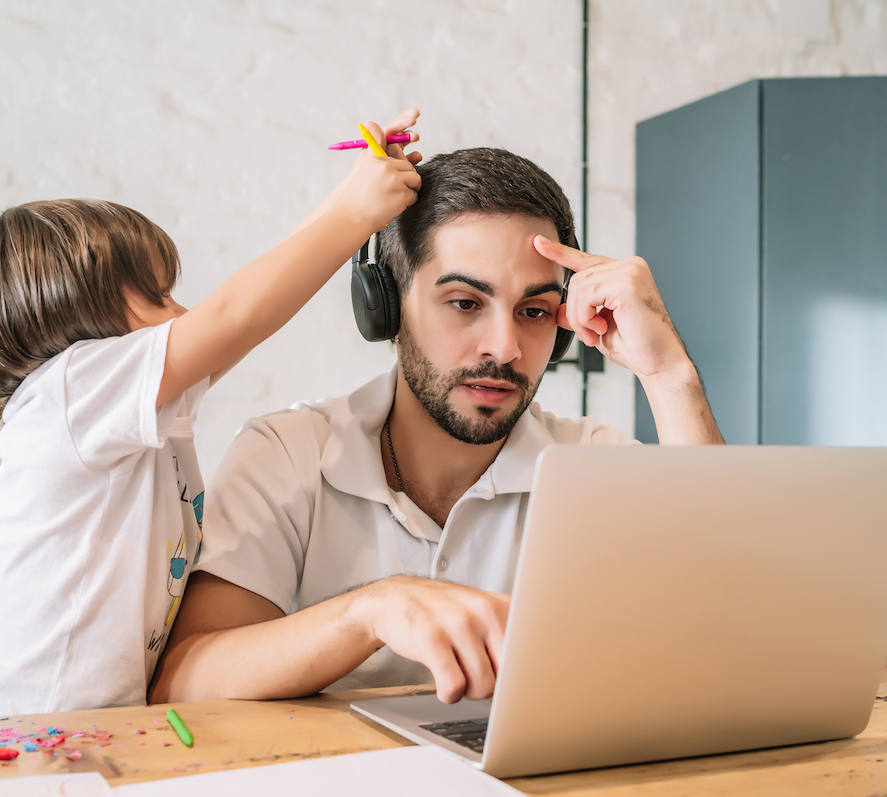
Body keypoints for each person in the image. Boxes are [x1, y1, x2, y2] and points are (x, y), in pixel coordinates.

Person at [151, 146, 723, 707]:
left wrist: (669, 374)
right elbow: (186, 678)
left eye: (534, 311)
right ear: (388, 309)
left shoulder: (590, 463)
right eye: (465, 302)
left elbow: (721, 629)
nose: (504, 347)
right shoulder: (288, 454)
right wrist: (372, 611)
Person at [0, 112, 423, 715]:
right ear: (69, 308)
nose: (182, 312)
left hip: (116, 723)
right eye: (157, 295)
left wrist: (349, 198)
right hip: (36, 726)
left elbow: (240, 324)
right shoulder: (69, 393)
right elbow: (235, 317)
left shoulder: (121, 410)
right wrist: (355, 213)